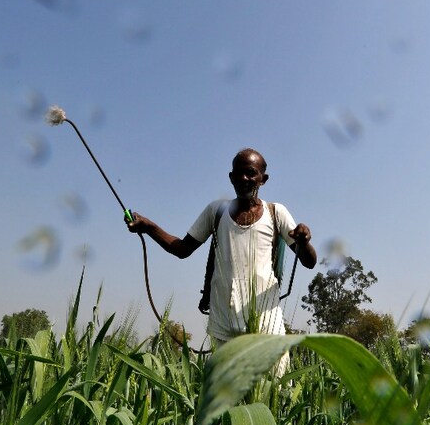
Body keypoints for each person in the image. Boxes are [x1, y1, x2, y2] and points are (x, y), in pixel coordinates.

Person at [125, 148, 317, 371]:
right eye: (239, 173)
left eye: (251, 173)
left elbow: (309, 261)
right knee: (228, 395)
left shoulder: (277, 213)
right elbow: (181, 249)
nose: (244, 178)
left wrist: (304, 243)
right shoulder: (216, 211)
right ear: (231, 177)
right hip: (223, 321)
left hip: (267, 322)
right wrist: (149, 227)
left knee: (275, 390)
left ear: (263, 180)